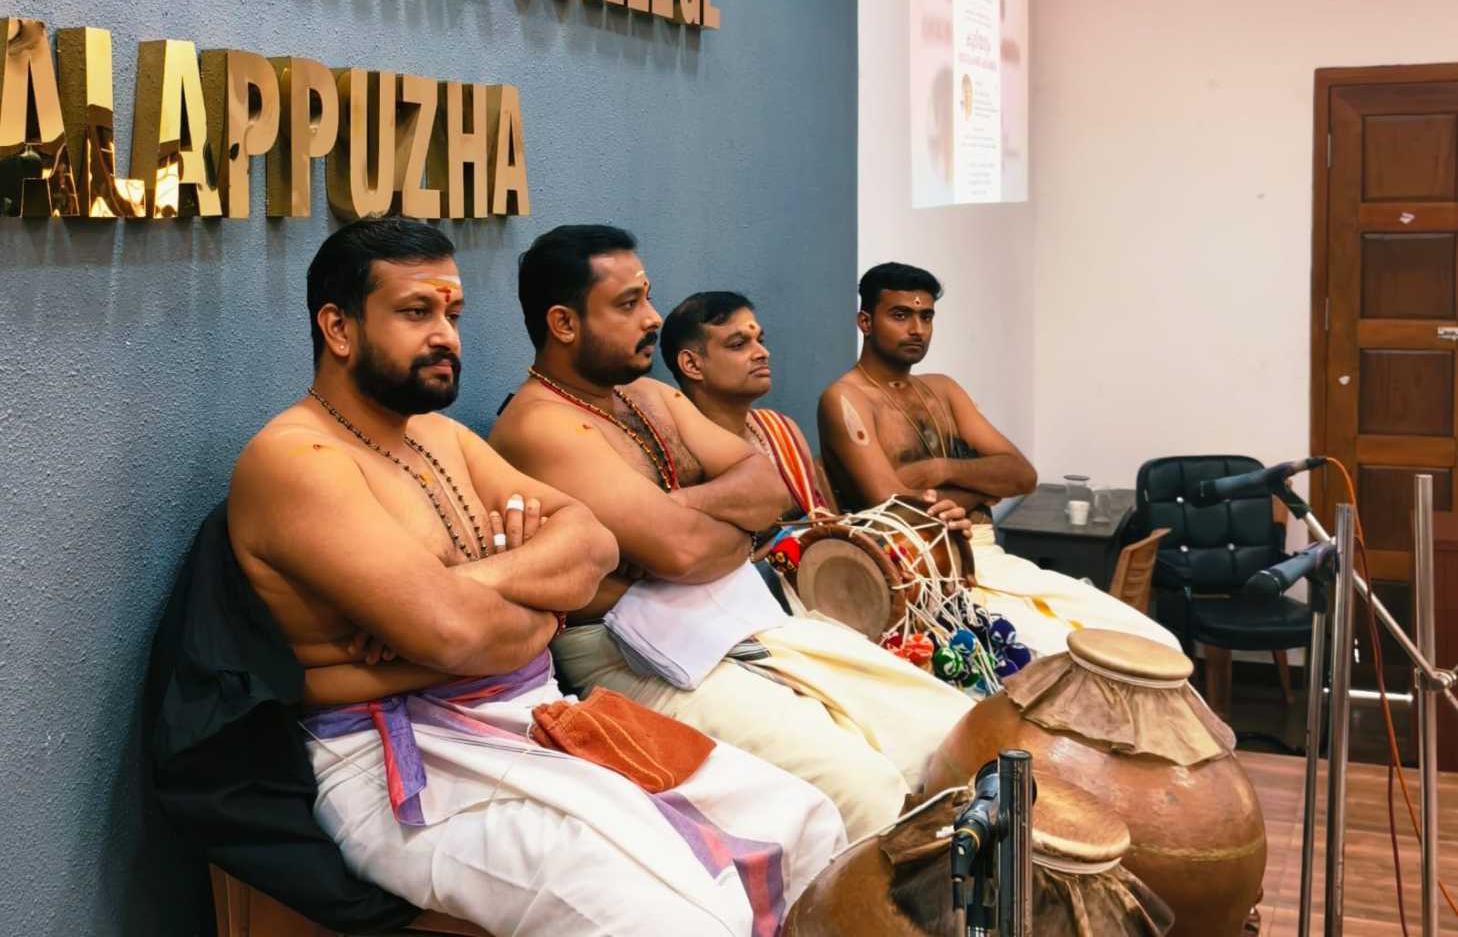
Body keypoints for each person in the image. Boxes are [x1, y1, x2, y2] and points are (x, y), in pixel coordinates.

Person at [224, 218, 846, 937]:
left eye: (453, 315)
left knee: (804, 821)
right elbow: (456, 635)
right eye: (416, 313)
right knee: (676, 917)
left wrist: (468, 584)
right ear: (338, 327)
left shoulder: (442, 436)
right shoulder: (297, 460)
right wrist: (531, 607)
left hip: (542, 714)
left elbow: (592, 545)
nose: (447, 336)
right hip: (404, 769)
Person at [490, 225, 977, 841]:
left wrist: (674, 514)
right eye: (628, 304)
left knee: (946, 727)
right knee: (865, 790)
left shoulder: (646, 394)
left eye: (647, 296)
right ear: (563, 324)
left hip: (733, 613)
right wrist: (714, 534)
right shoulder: (540, 425)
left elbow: (766, 485)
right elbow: (683, 549)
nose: (652, 317)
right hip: (634, 655)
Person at [818, 261, 1179, 655]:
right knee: (1072, 653)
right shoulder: (846, 398)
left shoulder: (942, 390)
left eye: (927, 317)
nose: (917, 329)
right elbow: (896, 510)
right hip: (925, 569)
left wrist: (938, 469)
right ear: (866, 322)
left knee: (1155, 640)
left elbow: (1021, 475)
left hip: (986, 553)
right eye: (901, 315)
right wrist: (979, 491)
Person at [659, 291, 833, 517]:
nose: (763, 353)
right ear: (692, 364)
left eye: (760, 341)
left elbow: (822, 522)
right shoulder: (677, 454)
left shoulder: (781, 430)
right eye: (738, 344)